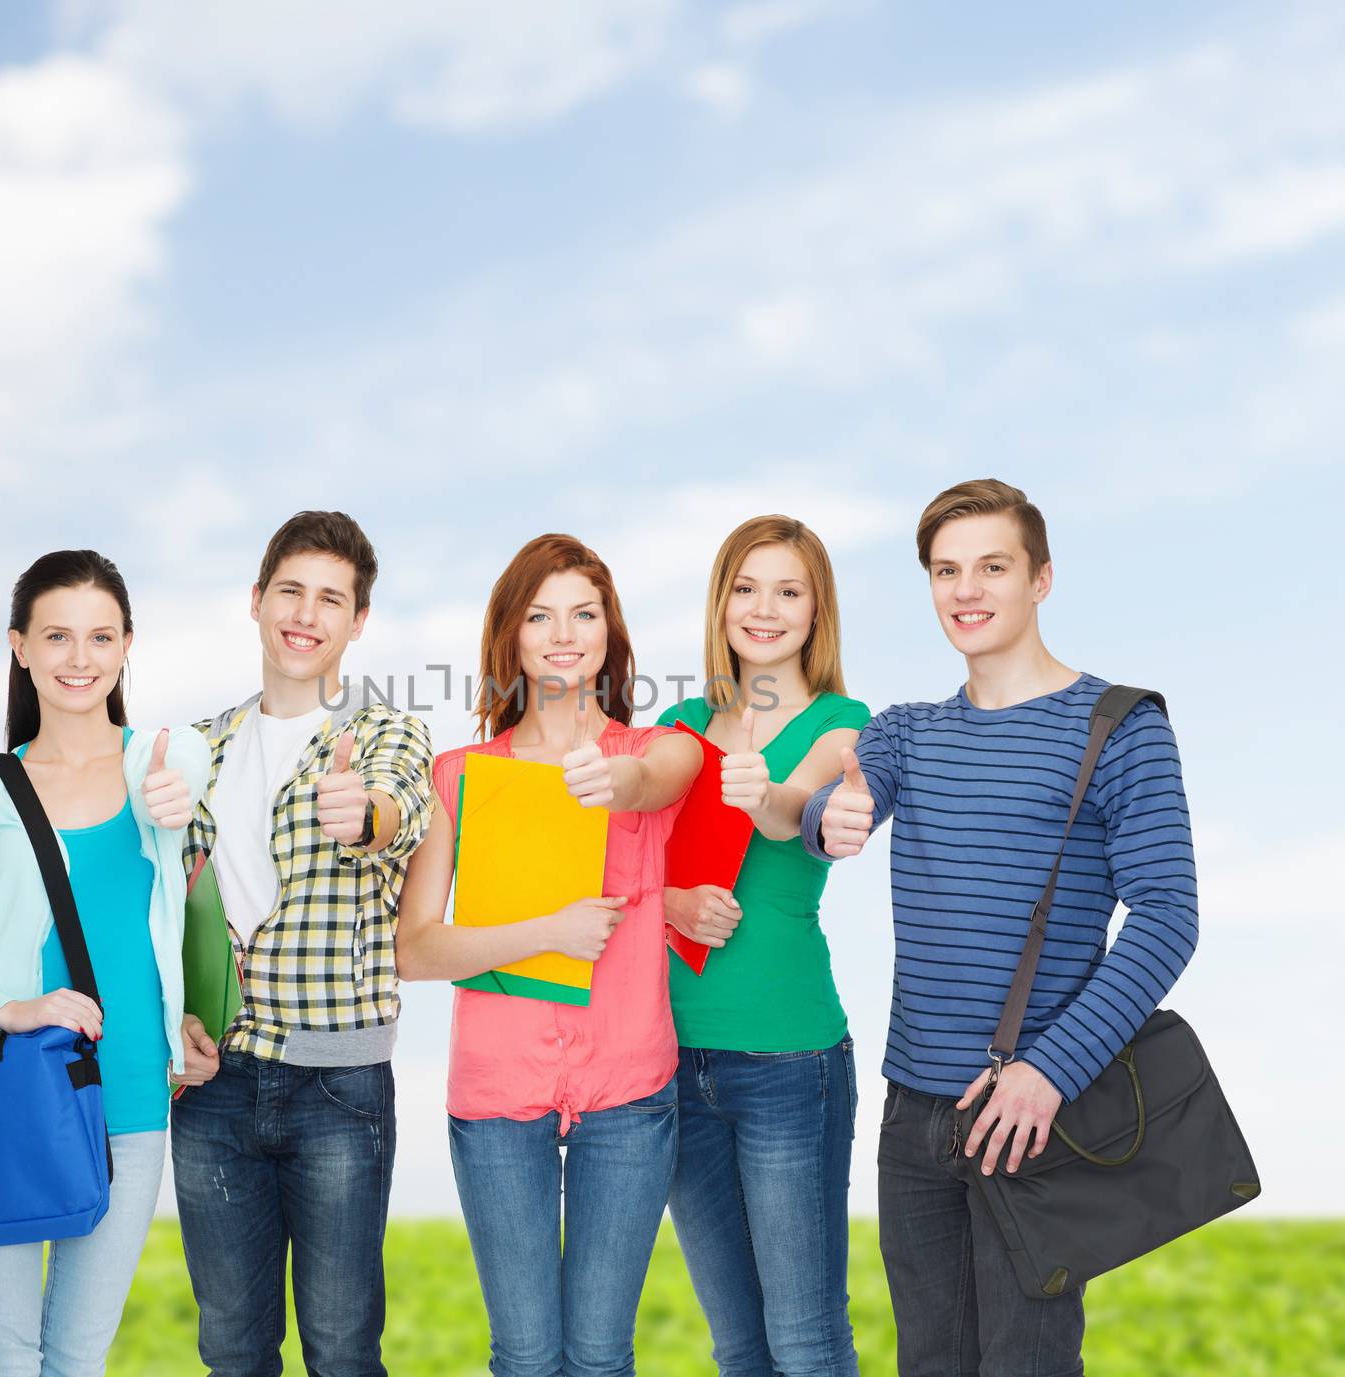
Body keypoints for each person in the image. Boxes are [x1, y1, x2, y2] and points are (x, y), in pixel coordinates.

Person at [802, 480, 1199, 1377]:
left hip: (1035, 1118)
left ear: (1041, 579)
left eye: (992, 566)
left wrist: (1049, 1072)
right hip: (913, 1119)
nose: (966, 590)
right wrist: (830, 816)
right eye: (947, 570)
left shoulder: (1120, 726)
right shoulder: (910, 732)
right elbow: (840, 801)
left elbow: (1169, 916)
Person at [0, 548, 213, 1377]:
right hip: (9, 1090)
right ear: (19, 646)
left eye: (101, 637)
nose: (80, 658)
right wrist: (9, 1008)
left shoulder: (167, 761)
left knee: (76, 1356)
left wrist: (175, 801)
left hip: (133, 1094)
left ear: (127, 645)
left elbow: (190, 793)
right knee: (4, 1353)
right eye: (57, 636)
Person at [396, 533, 703, 1377]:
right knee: (527, 1355)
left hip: (630, 1088)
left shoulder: (653, 753)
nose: (564, 632)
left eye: (584, 612)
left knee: (601, 1354)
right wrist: (549, 932)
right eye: (540, 615)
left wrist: (617, 781)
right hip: (498, 1093)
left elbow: (667, 775)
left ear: (610, 630)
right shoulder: (458, 777)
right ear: (512, 636)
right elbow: (415, 949)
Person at [169, 510, 434, 1377]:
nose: (306, 613)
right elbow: (169, 909)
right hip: (215, 1087)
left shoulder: (386, 734)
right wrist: (178, 1022)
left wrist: (364, 813)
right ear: (256, 600)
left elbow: (399, 812)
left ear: (357, 621)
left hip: (338, 1088)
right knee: (233, 1350)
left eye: (332, 599)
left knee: (343, 1351)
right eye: (291, 590)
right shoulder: (200, 748)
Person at [657, 515, 870, 1377]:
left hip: (790, 1060)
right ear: (721, 602)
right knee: (739, 1346)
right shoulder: (677, 722)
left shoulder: (843, 723)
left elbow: (800, 813)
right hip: (673, 1057)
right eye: (746, 587)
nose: (765, 608)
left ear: (817, 611)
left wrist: (763, 794)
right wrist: (672, 900)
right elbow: (628, 873)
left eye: (789, 590)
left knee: (807, 1340)